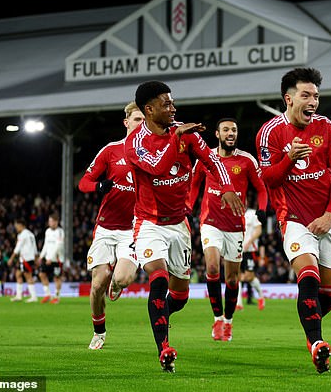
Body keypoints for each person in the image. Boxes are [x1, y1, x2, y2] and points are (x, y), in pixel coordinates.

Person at [125, 80, 244, 372]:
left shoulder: (186, 134)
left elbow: (212, 161)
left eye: (172, 102)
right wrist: (176, 136)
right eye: (166, 104)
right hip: (149, 223)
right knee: (159, 278)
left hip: (179, 225)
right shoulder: (135, 143)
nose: (173, 108)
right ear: (149, 110)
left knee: (179, 297)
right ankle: (164, 349)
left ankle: (161, 314)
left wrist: (226, 186)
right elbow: (156, 168)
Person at [255, 67, 331, 373]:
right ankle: (317, 344)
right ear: (289, 98)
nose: (314, 101)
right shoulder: (269, 132)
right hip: (293, 217)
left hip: (330, 219)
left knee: (330, 296)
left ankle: (312, 333)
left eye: (316, 96)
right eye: (306, 95)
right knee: (308, 275)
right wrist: (289, 159)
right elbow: (269, 179)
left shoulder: (327, 127)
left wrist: (330, 213)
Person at [187, 118, 268, 342]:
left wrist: (262, 209)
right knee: (212, 267)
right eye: (226, 129)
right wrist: (188, 207)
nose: (230, 133)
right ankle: (217, 319)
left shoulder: (246, 160)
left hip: (235, 226)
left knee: (232, 280)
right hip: (210, 223)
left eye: (234, 129)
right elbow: (194, 185)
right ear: (217, 134)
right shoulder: (206, 159)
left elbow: (261, 188)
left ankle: (229, 321)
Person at [78, 101, 145, 350]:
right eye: (136, 120)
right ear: (126, 122)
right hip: (106, 228)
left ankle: (116, 285)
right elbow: (84, 182)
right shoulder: (111, 150)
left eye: (144, 121)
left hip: (133, 228)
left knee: (124, 278)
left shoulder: (153, 154)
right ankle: (99, 332)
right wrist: (98, 186)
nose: (141, 125)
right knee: (97, 285)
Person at [236, 206, 266, 311]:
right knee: (237, 276)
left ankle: (261, 297)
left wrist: (249, 242)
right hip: (238, 250)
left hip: (250, 251)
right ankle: (239, 303)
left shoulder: (252, 214)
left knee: (249, 277)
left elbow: (258, 230)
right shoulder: (235, 213)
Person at [7, 219, 39, 303]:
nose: (16, 228)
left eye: (17, 226)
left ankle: (33, 297)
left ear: (21, 225)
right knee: (18, 274)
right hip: (29, 258)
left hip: (26, 258)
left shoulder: (22, 235)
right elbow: (35, 247)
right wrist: (36, 258)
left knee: (28, 276)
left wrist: (11, 258)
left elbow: (18, 248)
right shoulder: (31, 234)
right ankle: (19, 296)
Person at [38, 212, 65, 304]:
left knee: (56, 278)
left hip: (57, 260)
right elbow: (46, 244)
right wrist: (41, 256)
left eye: (52, 221)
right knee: (42, 274)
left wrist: (51, 258)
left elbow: (58, 246)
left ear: (56, 222)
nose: (50, 223)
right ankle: (48, 295)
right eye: (49, 221)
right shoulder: (47, 231)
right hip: (48, 258)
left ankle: (57, 297)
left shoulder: (60, 232)